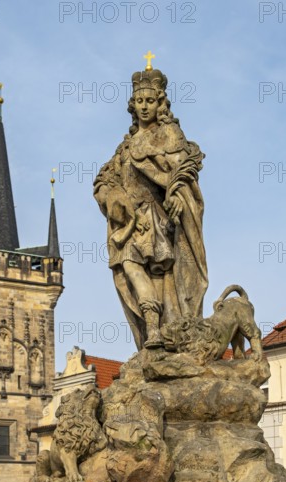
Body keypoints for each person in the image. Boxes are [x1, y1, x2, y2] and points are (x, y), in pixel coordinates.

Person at [94, 66, 208, 349]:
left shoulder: (169, 136)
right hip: (129, 224)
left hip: (157, 221)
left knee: (162, 278)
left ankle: (165, 334)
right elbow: (105, 178)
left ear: (160, 103)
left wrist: (177, 195)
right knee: (129, 269)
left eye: (150, 101)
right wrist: (110, 195)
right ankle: (152, 332)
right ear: (133, 106)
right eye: (140, 101)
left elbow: (182, 174)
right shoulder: (125, 147)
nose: (144, 107)